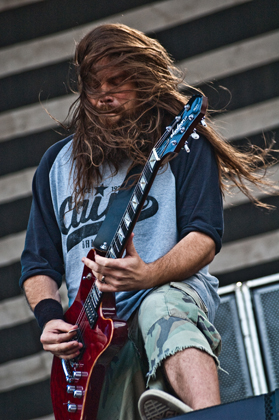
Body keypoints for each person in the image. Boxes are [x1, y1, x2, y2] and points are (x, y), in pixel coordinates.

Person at [20, 24, 277, 420]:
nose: (104, 96)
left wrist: (149, 273)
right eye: (94, 86)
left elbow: (204, 236)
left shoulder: (183, 142)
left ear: (145, 82)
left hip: (170, 289)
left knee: (161, 305)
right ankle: (163, 400)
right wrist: (51, 318)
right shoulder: (55, 165)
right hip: (92, 334)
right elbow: (38, 264)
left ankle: (208, 414)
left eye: (118, 83)